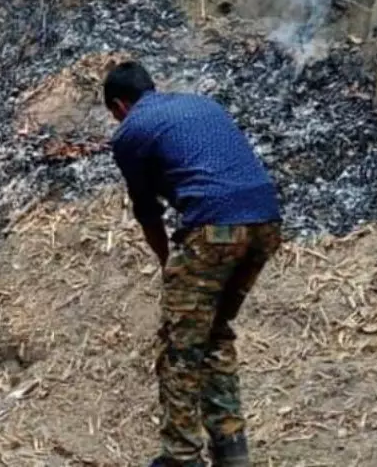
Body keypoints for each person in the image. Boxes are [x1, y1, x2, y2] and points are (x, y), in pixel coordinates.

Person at [103, 61, 282, 467]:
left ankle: (181, 455)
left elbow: (148, 213)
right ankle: (231, 447)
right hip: (267, 224)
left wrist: (168, 263)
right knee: (214, 330)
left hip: (214, 229)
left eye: (113, 113)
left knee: (179, 345)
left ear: (119, 105)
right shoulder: (200, 105)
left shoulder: (130, 131)